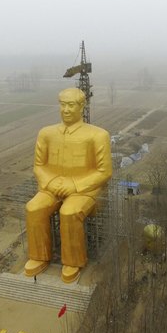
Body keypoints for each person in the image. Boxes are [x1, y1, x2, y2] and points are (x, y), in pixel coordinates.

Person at [24, 88, 112, 283]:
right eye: (62, 104)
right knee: (33, 208)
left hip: (85, 189)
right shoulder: (46, 133)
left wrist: (74, 185)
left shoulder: (97, 135)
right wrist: (50, 182)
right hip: (52, 186)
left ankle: (73, 261)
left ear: (82, 106)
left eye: (71, 105)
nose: (65, 110)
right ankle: (39, 256)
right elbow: (39, 166)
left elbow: (104, 172)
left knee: (69, 212)